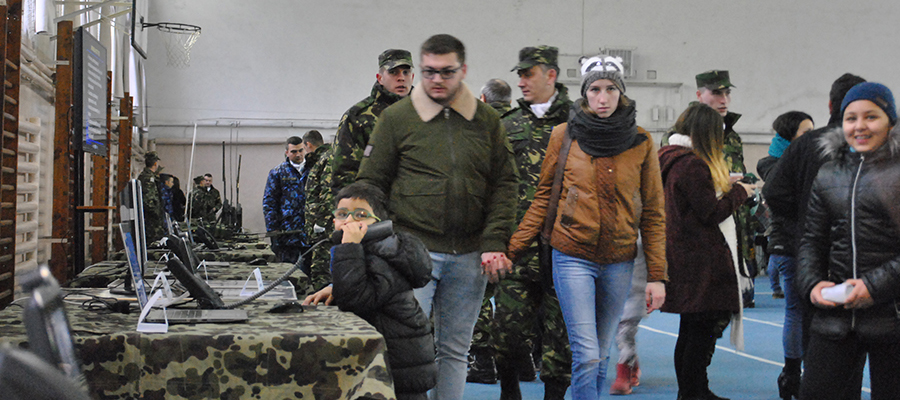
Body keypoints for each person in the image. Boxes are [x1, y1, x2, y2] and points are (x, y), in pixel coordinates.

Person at [356, 34, 518, 400]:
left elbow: (505, 184)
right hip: (412, 254)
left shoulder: (487, 121)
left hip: (470, 256)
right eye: (429, 71)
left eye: (447, 72)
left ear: (463, 70)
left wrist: (494, 241)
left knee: (455, 351)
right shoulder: (396, 119)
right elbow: (370, 183)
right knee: (405, 350)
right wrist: (382, 244)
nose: (437, 80)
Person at [506, 55, 667, 400]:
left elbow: (654, 212)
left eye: (611, 89)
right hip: (572, 255)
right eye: (595, 89)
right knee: (587, 353)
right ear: (585, 93)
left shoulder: (641, 142)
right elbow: (543, 198)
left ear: (621, 93)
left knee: (603, 352)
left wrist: (657, 275)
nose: (603, 98)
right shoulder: (564, 136)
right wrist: (512, 249)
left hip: (619, 259)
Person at [761, 73, 866, 400]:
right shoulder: (875, 146)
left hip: (816, 261)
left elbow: (773, 192)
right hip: (863, 263)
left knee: (818, 341)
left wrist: (804, 223)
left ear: (830, 105)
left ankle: (802, 377)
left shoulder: (806, 145)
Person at [797, 82, 900, 400]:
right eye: (851, 118)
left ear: (890, 122)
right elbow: (811, 240)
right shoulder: (828, 174)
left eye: (871, 116)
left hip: (893, 316)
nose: (860, 126)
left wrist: (873, 286)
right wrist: (813, 284)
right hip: (836, 319)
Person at [659, 104, 756, 400]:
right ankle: (693, 392)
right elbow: (710, 212)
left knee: (690, 329)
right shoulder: (692, 165)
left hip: (681, 254)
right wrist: (740, 193)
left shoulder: (669, 157)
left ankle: (694, 390)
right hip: (700, 259)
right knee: (700, 332)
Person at [493, 45, 573, 400]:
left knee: (561, 340)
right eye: (520, 75)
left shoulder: (580, 122)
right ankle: (509, 391)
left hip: (566, 248)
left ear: (551, 75)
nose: (521, 82)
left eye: (528, 74)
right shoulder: (507, 125)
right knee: (506, 333)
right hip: (517, 247)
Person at [328, 182, 437, 400]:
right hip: (390, 363)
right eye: (342, 214)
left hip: (397, 371)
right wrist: (333, 287)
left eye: (361, 215)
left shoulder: (381, 256)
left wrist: (349, 248)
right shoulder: (375, 249)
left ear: (378, 222)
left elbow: (355, 301)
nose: (349, 221)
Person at [664, 70, 758, 308]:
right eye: (716, 93)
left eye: (727, 93)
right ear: (699, 95)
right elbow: (690, 191)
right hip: (702, 233)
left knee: (727, 305)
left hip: (732, 219)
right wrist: (732, 189)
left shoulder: (732, 135)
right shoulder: (682, 138)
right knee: (708, 310)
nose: (724, 99)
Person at [331, 48, 414, 192]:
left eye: (406, 72)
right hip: (376, 201)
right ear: (380, 78)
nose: (401, 78)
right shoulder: (359, 117)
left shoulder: (427, 113)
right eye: (393, 72)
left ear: (412, 77)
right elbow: (344, 172)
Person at [756, 111, 814, 300]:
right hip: (788, 241)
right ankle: (775, 288)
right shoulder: (771, 165)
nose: (812, 137)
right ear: (790, 137)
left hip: (808, 242)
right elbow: (778, 194)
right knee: (795, 307)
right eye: (807, 133)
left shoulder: (809, 160)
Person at [609, 236, 647, 395]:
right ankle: (631, 361)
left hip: (637, 280)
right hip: (606, 274)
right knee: (611, 329)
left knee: (625, 329)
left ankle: (623, 372)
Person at [263, 136, 308, 263]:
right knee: (287, 267)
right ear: (287, 152)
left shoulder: (313, 170)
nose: (298, 154)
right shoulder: (278, 172)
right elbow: (269, 202)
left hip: (309, 230)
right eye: (294, 151)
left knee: (311, 268)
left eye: (301, 150)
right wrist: (272, 229)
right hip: (287, 231)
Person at [299, 130, 333, 285]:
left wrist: (321, 222)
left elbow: (328, 192)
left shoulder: (327, 159)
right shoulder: (320, 159)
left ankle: (323, 298)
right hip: (319, 226)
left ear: (308, 145)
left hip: (325, 228)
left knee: (321, 271)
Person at [137, 151, 166, 242]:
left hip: (150, 218)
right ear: (155, 164)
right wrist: (156, 214)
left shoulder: (144, 176)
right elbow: (149, 200)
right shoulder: (149, 178)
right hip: (152, 220)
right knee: (153, 241)